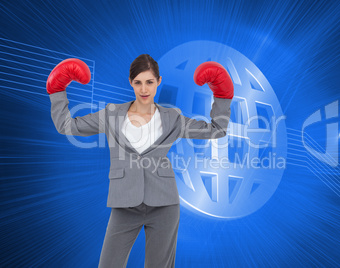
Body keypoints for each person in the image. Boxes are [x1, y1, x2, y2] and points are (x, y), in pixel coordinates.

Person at [47, 54, 234, 268]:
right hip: (124, 204)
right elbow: (67, 126)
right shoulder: (111, 114)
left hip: (164, 204)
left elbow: (216, 130)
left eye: (149, 82)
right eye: (138, 82)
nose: (144, 89)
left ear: (158, 82)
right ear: (130, 83)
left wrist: (222, 94)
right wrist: (57, 89)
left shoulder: (172, 118)